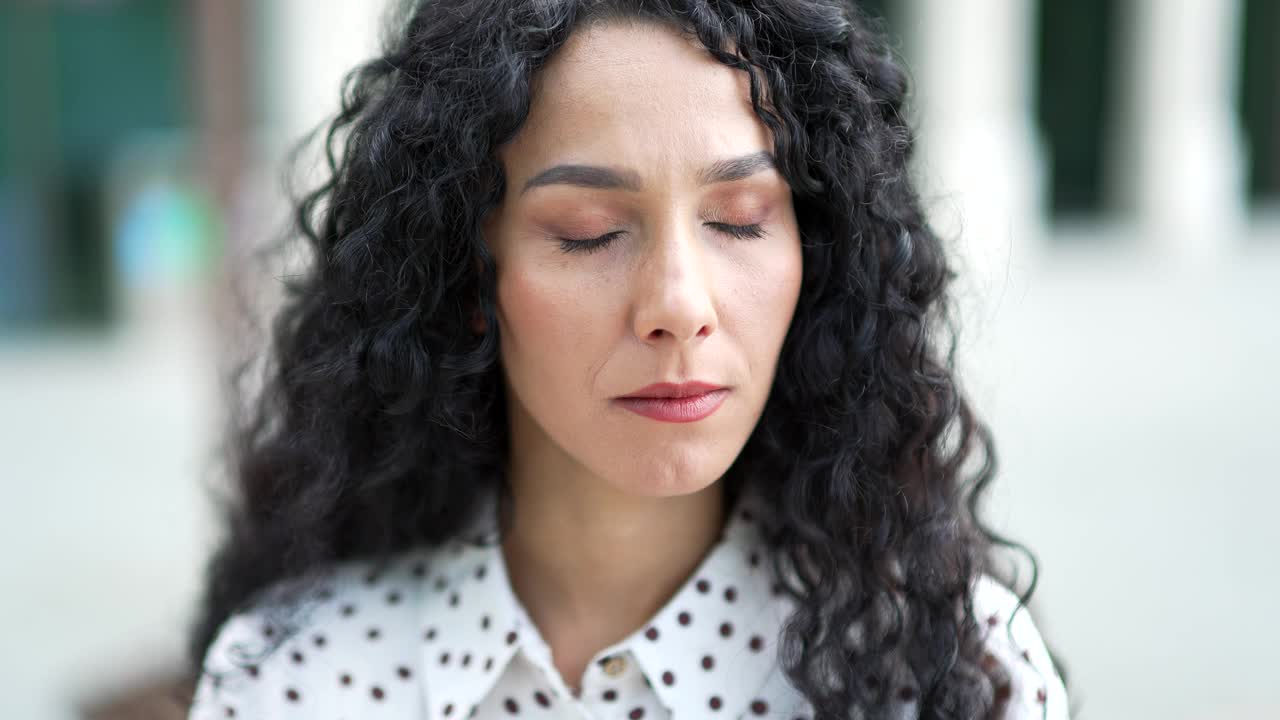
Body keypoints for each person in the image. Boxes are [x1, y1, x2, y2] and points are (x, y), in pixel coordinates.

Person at [185, 1, 1072, 718]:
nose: (679, 305)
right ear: (465, 279)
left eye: (738, 219)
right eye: (590, 234)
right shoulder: (294, 681)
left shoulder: (949, 673)